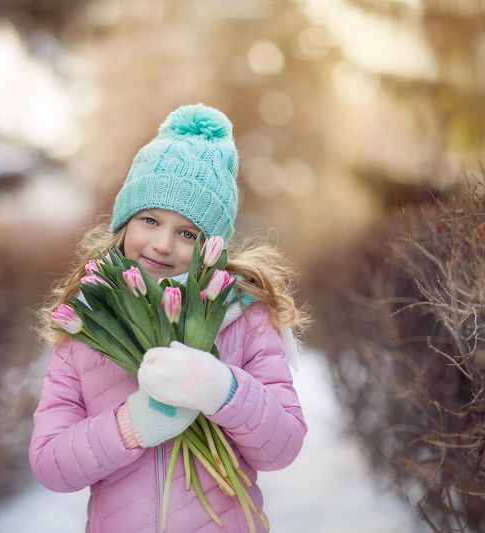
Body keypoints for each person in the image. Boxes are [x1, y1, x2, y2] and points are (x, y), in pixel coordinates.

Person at [29, 103, 310, 532]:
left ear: (211, 246)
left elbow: (282, 447)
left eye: (187, 233)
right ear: (124, 223)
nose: (162, 245)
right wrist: (132, 424)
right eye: (149, 220)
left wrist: (221, 389)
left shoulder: (244, 319)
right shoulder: (87, 327)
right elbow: (50, 464)